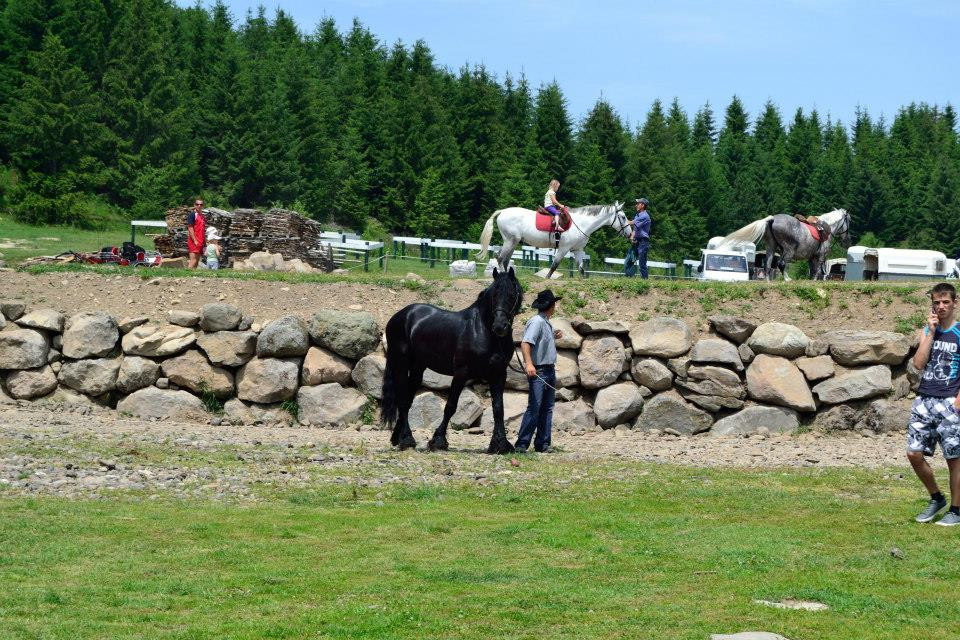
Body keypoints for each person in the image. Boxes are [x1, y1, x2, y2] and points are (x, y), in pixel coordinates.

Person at [907, 282, 960, 526]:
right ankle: (936, 498)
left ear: (954, 303)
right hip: (924, 399)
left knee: (954, 458)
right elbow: (918, 365)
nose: (941, 307)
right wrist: (929, 333)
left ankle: (956, 510)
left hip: (950, 401)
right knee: (914, 454)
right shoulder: (928, 331)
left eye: (945, 302)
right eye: (936, 302)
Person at [514, 289, 563, 453]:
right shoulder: (537, 322)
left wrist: (553, 335)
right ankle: (522, 444)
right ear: (551, 305)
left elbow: (539, 341)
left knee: (547, 408)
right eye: (554, 304)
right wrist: (529, 364)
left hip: (549, 370)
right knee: (535, 407)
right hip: (540, 371)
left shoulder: (545, 322)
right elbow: (526, 343)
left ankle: (542, 444)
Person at [625, 197, 651, 278]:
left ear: (642, 205)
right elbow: (636, 229)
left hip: (643, 242)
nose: (636, 205)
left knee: (642, 263)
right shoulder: (637, 215)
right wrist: (632, 237)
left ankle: (645, 281)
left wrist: (620, 218)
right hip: (637, 241)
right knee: (629, 260)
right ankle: (628, 278)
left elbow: (631, 223)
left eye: (638, 204)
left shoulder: (645, 216)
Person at [186, 199, 206, 269]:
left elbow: (203, 230)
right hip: (194, 241)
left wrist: (204, 242)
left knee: (197, 261)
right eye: (197, 204)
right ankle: (187, 275)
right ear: (194, 205)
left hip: (200, 241)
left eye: (201, 204)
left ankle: (193, 276)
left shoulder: (202, 216)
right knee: (193, 260)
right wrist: (194, 240)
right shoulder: (192, 215)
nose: (199, 206)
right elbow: (190, 228)